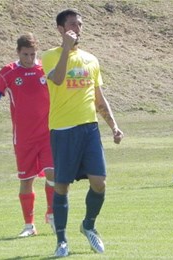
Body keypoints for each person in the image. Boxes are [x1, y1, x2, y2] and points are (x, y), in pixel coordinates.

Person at [41, 9, 124, 257]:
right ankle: (62, 241)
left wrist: (114, 126)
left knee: (99, 183)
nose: (77, 29)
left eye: (79, 24)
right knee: (62, 186)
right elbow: (56, 79)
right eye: (71, 25)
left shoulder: (91, 59)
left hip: (89, 129)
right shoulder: (49, 56)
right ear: (59, 29)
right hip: (63, 129)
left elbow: (99, 98)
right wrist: (66, 48)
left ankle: (88, 225)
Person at [0, 33, 55, 237]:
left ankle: (52, 213)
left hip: (48, 134)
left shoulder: (45, 69)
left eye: (33, 54)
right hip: (23, 138)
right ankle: (29, 226)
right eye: (25, 55)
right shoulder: (8, 73)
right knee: (26, 180)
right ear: (18, 52)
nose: (30, 59)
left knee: (52, 174)